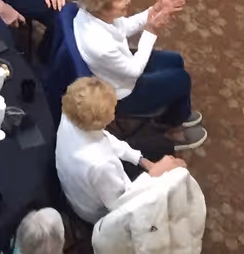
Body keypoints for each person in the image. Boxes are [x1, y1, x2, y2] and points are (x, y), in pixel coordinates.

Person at [73, 0, 202, 137]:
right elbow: (134, 71)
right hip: (122, 93)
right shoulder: (100, 46)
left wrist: (154, 11)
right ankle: (171, 123)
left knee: (175, 60)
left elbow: (124, 27)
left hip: (119, 66)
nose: (128, 0)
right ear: (102, 6)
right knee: (182, 79)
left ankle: (177, 108)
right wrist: (151, 31)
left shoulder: (91, 12)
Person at [56, 77, 188, 223]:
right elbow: (122, 205)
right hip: (104, 213)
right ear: (98, 122)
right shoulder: (99, 164)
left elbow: (104, 137)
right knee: (172, 185)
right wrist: (154, 175)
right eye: (112, 111)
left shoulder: (72, 113)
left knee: (163, 146)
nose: (114, 115)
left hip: (93, 186)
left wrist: (142, 161)